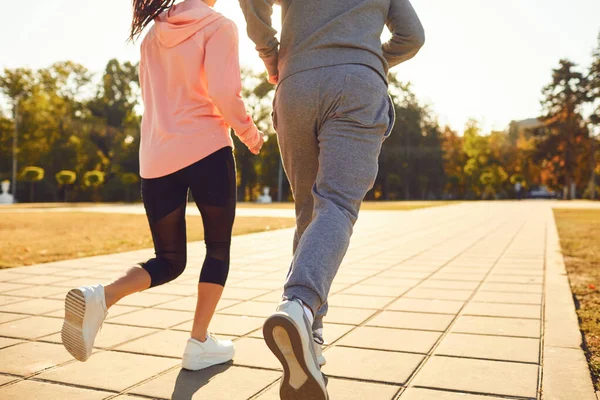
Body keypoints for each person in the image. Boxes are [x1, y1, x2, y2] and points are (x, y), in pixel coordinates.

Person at [61, 0, 264, 371]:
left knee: (169, 260)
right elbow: (223, 91)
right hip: (206, 150)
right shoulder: (219, 25)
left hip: (156, 159)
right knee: (217, 249)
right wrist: (250, 134)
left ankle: (101, 297)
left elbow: (151, 99)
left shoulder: (152, 34)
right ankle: (198, 343)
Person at [240, 0, 425, 398]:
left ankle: (312, 347)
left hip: (296, 84)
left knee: (309, 214)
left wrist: (270, 54)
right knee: (337, 205)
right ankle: (299, 306)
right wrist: (372, 58)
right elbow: (412, 36)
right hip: (358, 83)